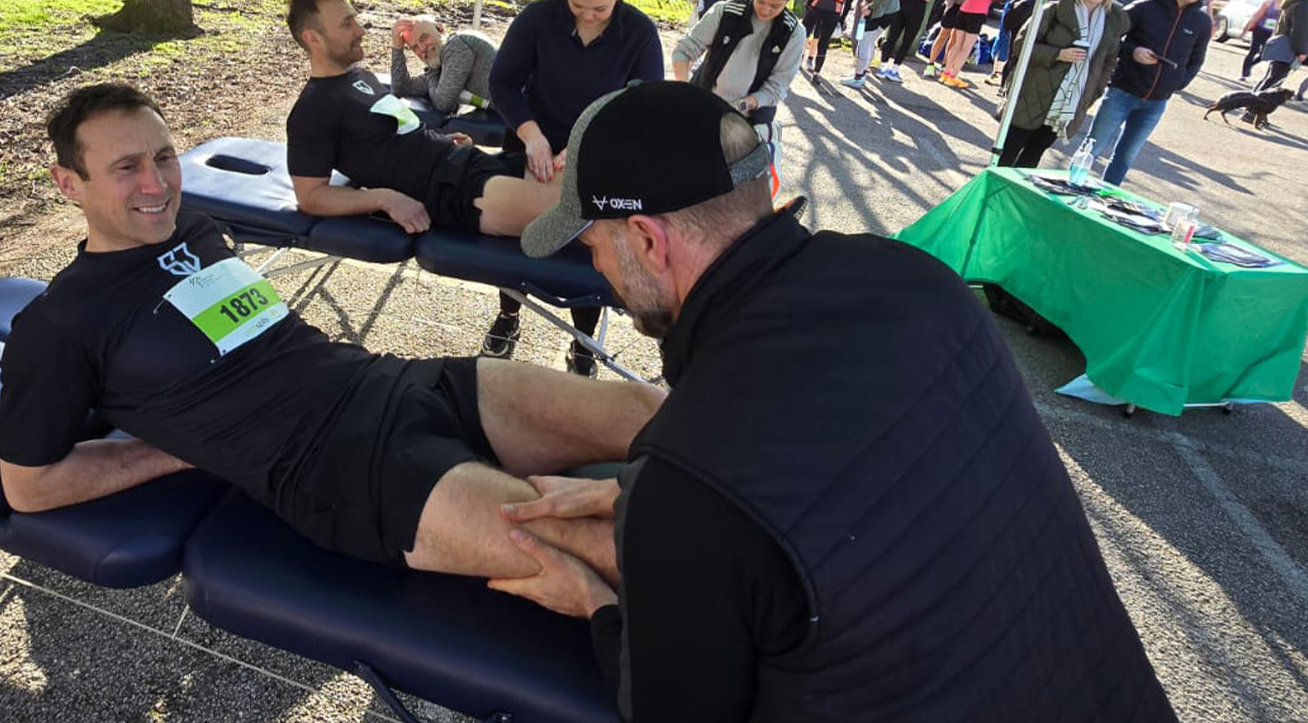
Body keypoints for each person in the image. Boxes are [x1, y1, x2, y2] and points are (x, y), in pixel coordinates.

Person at [498, 80, 1179, 721]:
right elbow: (880, 489)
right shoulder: (922, 283)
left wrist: (595, 603)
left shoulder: (690, 484)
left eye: (593, 246)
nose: (595, 269)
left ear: (647, 241)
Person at [0, 82, 666, 589]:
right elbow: (28, 485)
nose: (156, 183)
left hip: (392, 382)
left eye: (165, 157)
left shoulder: (196, 229)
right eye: (125, 169)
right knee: (602, 545)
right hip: (340, 470)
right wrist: (171, 453)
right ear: (68, 183)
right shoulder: (63, 323)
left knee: (648, 412)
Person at [490, 0, 663, 374]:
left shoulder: (639, 33)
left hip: (601, 153)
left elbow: (643, 106)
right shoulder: (538, 18)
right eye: (577, 5)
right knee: (523, 234)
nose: (587, 15)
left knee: (591, 246)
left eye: (599, 9)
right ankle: (509, 315)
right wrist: (531, 137)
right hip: (535, 146)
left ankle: (583, 340)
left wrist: (590, 143)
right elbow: (504, 83)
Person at [284, 0, 555, 242]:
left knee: (587, 191)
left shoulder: (359, 77)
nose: (360, 31)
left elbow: (393, 135)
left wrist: (440, 138)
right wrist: (385, 199)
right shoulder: (313, 109)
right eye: (346, 24)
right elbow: (310, 196)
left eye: (355, 20)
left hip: (468, 162)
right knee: (579, 217)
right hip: (453, 192)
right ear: (313, 38)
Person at [1083, 0, 1214, 185]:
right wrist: (1132, 51)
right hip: (1121, 92)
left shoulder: (1201, 22)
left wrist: (1177, 83)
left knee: (1125, 157)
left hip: (1157, 102)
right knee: (1091, 148)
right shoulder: (1144, 8)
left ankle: (1104, 198)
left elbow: (1196, 60)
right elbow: (1110, 38)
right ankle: (1070, 189)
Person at [1000, 0, 1129, 167]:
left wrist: (1094, 91)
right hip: (1032, 93)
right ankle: (990, 198)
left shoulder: (1111, 22)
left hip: (1068, 104)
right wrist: (1058, 54)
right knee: (1006, 155)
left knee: (1031, 160)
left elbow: (1109, 61)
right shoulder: (1053, 10)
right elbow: (1021, 45)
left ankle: (1014, 199)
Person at [673, 0, 806, 124]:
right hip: (702, 102)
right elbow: (684, 50)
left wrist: (737, 106)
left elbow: (776, 87)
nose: (765, 10)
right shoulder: (727, 11)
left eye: (775, 6)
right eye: (760, 0)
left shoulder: (793, 33)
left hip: (748, 118)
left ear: (788, 1)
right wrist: (685, 91)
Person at [389, 16, 497, 115]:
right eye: (415, 47)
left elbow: (443, 103)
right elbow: (402, 88)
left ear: (440, 28)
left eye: (424, 37)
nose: (422, 49)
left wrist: (431, 72)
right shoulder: (440, 65)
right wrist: (397, 48)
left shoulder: (457, 46)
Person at [938, 0, 1008, 88]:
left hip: (964, 8)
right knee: (966, 47)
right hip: (978, 12)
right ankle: (954, 75)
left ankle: (946, 73)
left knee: (957, 44)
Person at [840, 0, 902, 88]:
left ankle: (858, 77)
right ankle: (861, 73)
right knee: (868, 42)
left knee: (864, 42)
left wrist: (870, 7)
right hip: (890, 11)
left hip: (881, 12)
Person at [1240, 0, 1287, 81]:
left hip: (1274, 32)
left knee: (1264, 54)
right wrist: (1246, 28)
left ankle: (1250, 65)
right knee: (1253, 50)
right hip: (1260, 28)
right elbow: (1257, 15)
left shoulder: (1288, 6)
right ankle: (1244, 73)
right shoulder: (1269, 2)